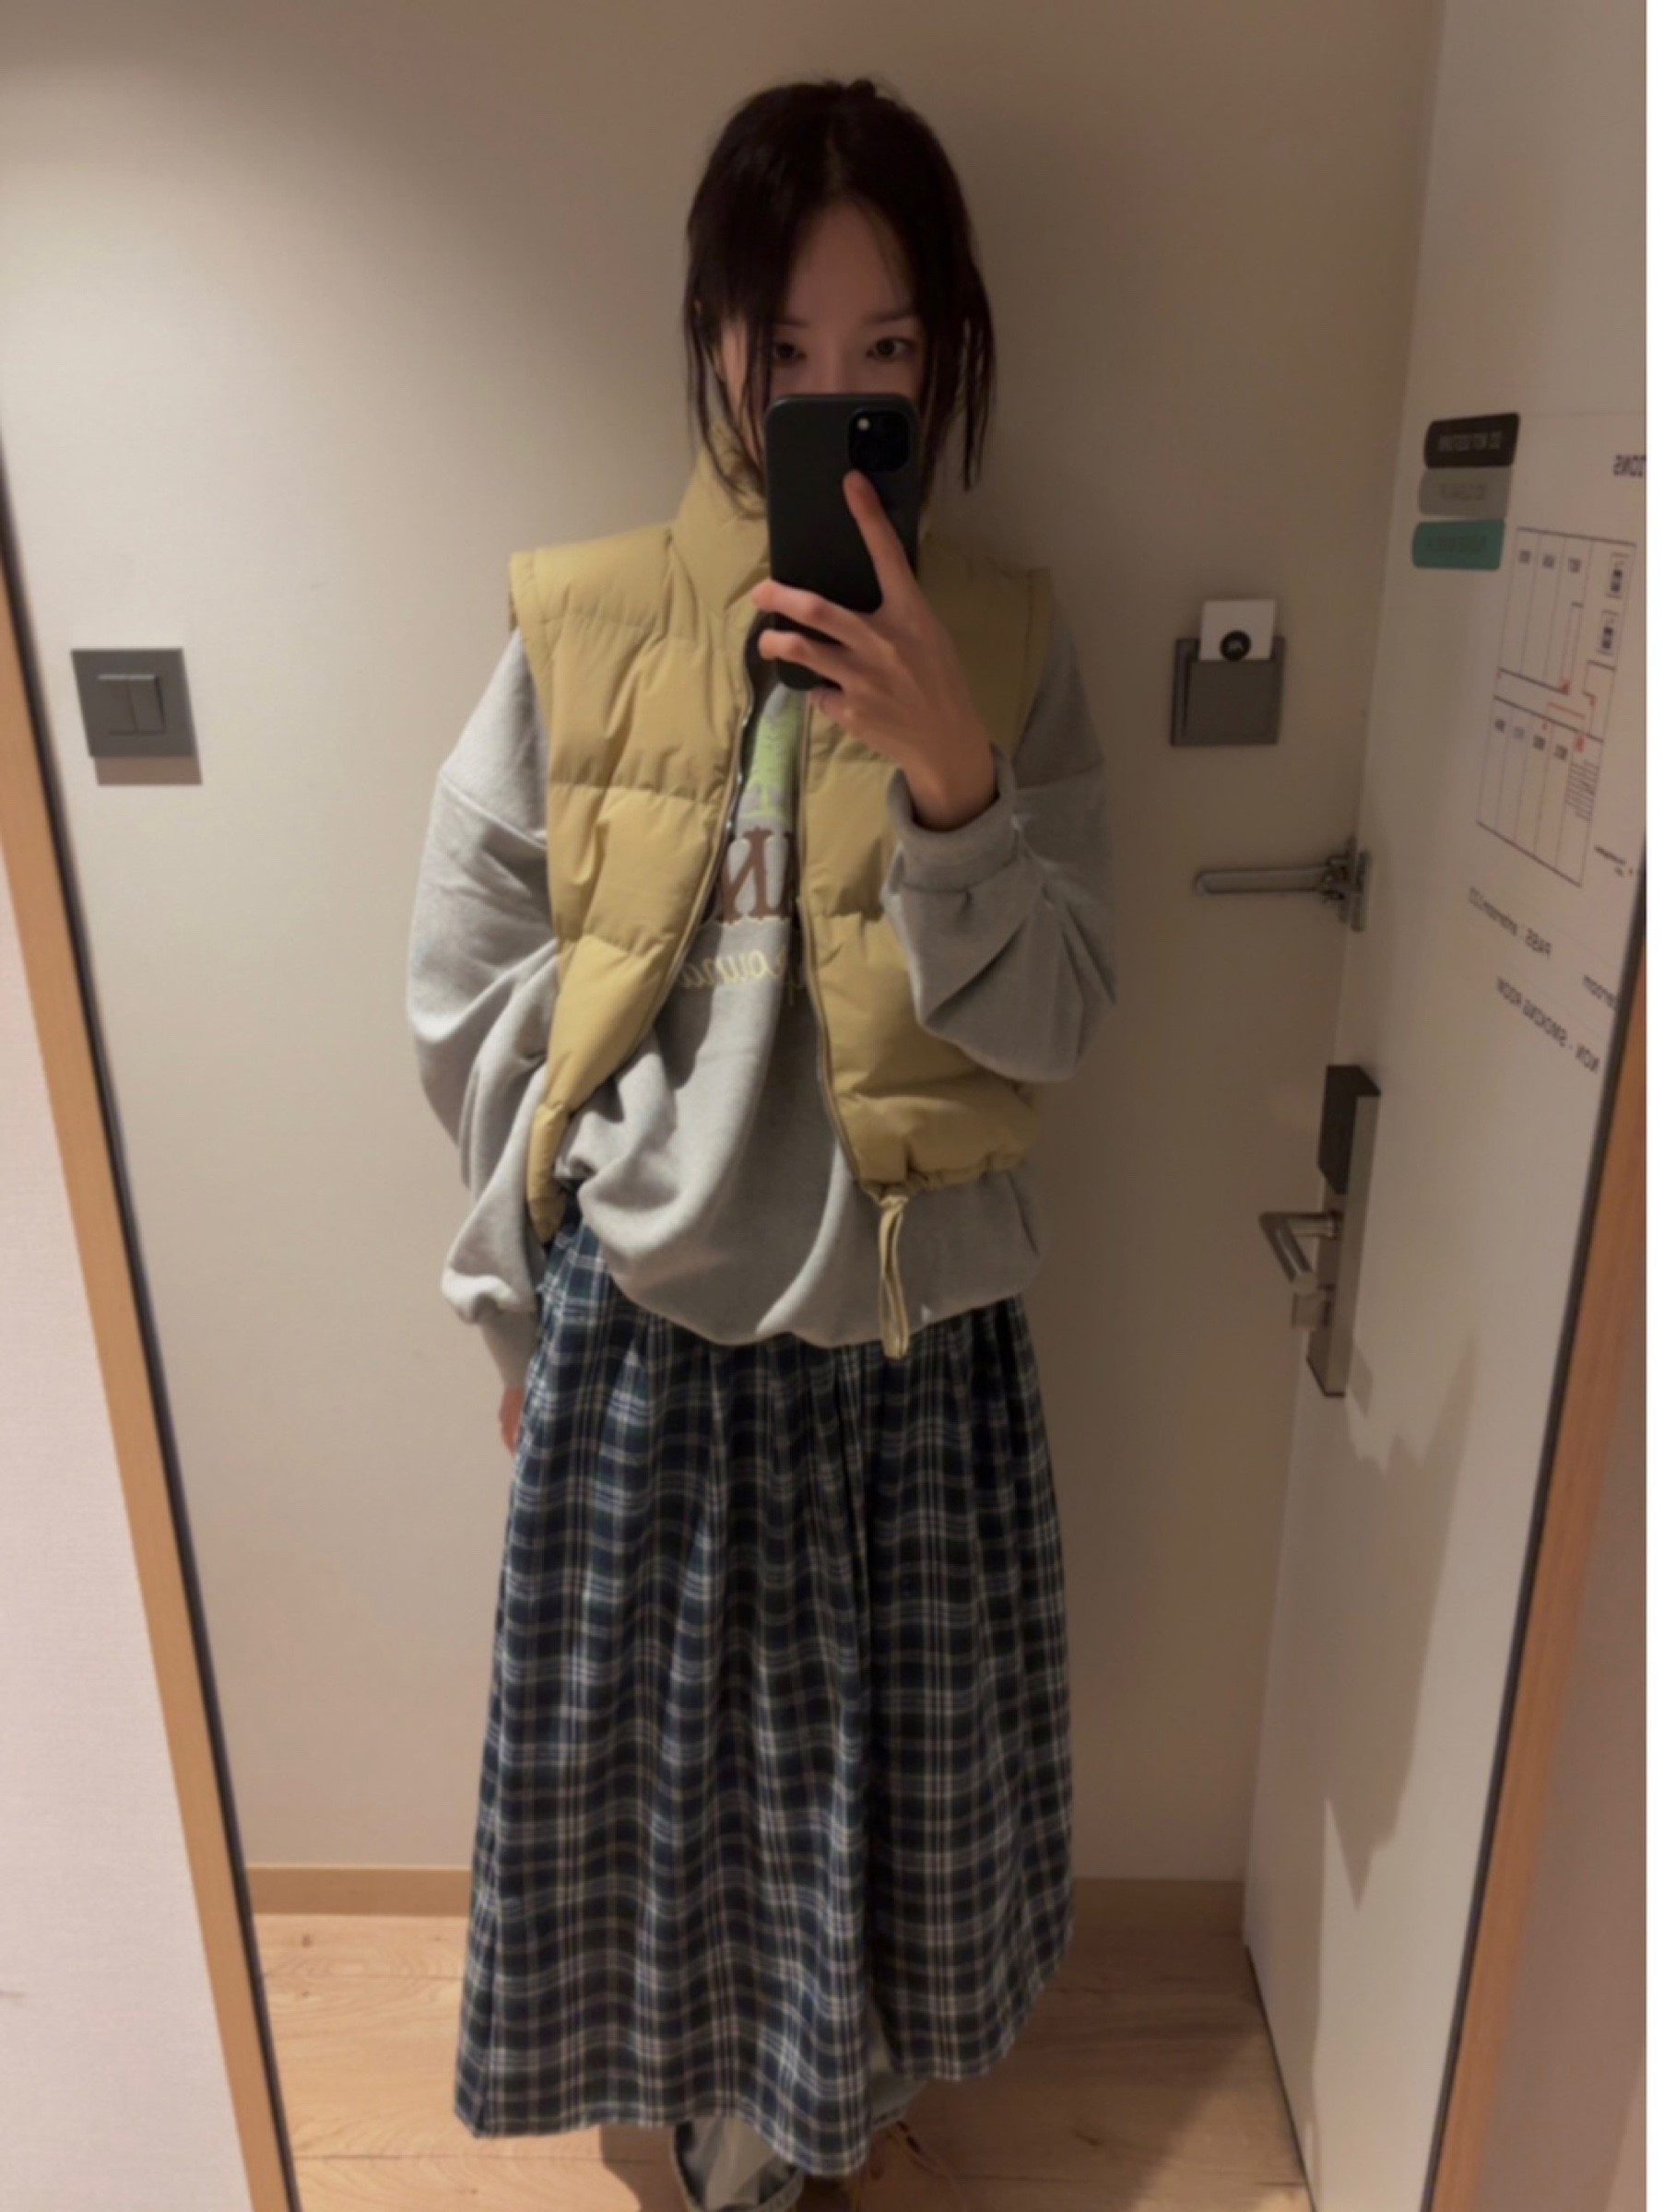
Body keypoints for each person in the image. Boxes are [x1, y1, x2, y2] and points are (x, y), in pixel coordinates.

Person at [406, 73, 1116, 2212]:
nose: (831, 394)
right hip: (659, 1354)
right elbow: (468, 997)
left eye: (882, 349)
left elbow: (1063, 1022)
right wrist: (511, 1308)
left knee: (883, 1818)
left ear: (947, 351)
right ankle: (732, 2150)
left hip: (918, 1368)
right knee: (679, 1820)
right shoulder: (586, 623)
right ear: (714, 339)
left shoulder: (1006, 644)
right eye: (783, 346)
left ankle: (822, 2117)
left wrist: (955, 787)